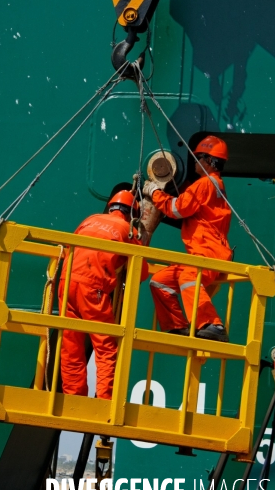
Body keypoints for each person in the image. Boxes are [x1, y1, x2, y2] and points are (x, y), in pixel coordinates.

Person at [58, 190, 149, 400]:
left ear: (110, 207)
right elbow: (141, 273)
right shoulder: (127, 230)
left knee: (70, 345)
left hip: (66, 283)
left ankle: (74, 397)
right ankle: (105, 401)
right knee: (106, 346)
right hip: (92, 290)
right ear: (131, 214)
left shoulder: (90, 220)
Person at [143, 135, 232, 342]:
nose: (194, 160)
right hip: (205, 252)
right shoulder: (211, 185)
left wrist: (154, 192)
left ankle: (213, 325)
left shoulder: (206, 184)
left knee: (188, 277)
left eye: (198, 157)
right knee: (159, 281)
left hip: (209, 253)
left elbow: (177, 209)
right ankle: (176, 326)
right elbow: (188, 202)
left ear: (210, 161)